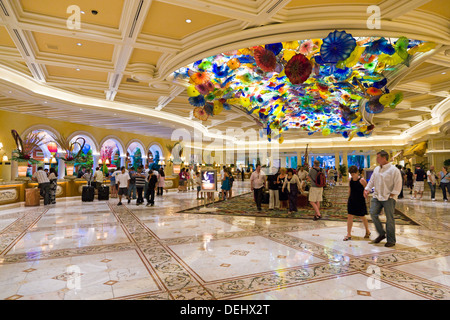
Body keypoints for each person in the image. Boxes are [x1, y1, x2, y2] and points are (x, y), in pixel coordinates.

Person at [364, 150, 402, 247]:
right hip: (377, 196)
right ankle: (381, 234)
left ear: (384, 158)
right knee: (373, 213)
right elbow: (372, 180)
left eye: (378, 158)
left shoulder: (394, 170)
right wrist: (367, 189)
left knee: (389, 219)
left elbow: (398, 183)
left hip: (389, 197)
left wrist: (393, 194)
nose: (376, 159)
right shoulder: (376, 169)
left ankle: (391, 240)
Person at [344, 165, 371, 241]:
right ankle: (348, 234)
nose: (352, 175)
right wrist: (348, 198)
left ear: (357, 173)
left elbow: (367, 189)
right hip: (352, 200)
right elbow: (350, 189)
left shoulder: (362, 180)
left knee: (362, 216)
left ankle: (367, 230)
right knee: (350, 216)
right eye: (351, 174)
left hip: (360, 200)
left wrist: (367, 197)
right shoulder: (350, 180)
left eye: (353, 174)